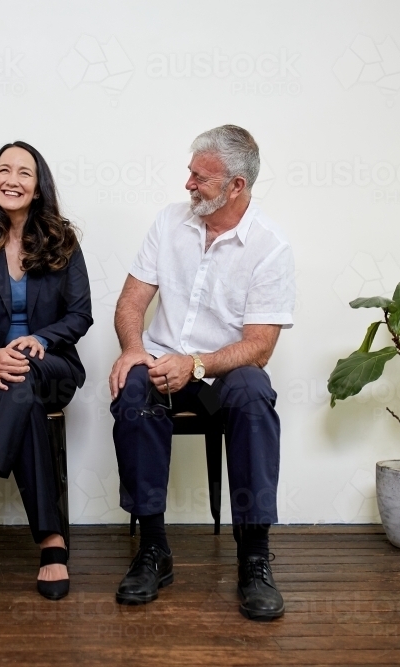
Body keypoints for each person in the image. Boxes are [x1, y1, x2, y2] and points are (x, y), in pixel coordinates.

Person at [108, 125, 295, 620]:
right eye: (190, 172)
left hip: (224, 370)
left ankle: (254, 557)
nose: (188, 184)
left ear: (237, 185)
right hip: (163, 359)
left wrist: (196, 364)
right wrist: (132, 349)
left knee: (255, 391)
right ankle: (154, 549)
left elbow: (260, 347)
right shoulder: (169, 223)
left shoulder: (270, 247)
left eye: (201, 177)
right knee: (132, 387)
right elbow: (131, 301)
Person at [0, 141, 93, 600]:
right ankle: (52, 543)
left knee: (24, 375)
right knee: (19, 393)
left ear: (38, 185)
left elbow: (80, 315)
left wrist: (40, 339)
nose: (12, 179)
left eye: (24, 173)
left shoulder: (63, 241)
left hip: (53, 364)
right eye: (3, 170)